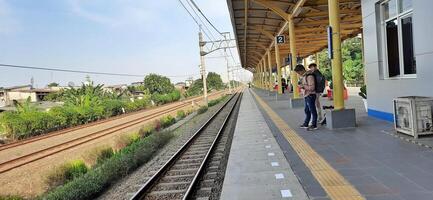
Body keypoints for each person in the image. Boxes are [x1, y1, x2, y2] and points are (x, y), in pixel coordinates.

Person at [294, 64, 318, 130]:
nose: (298, 74)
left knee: (312, 110)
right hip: (307, 95)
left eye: (299, 72)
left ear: (302, 70)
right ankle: (306, 123)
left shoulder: (309, 76)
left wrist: (303, 86)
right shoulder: (304, 76)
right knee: (307, 110)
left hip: (310, 95)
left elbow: (312, 87)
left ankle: (314, 125)